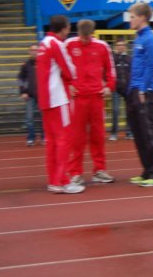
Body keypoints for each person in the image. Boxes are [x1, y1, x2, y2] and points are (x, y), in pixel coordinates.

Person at [65, 20, 116, 186]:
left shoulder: (102, 46)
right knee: (76, 137)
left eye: (87, 37)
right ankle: (75, 173)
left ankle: (99, 170)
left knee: (98, 135)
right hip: (78, 98)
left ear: (92, 34)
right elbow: (60, 67)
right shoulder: (69, 44)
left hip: (96, 97)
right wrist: (68, 85)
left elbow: (111, 69)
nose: (84, 40)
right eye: (82, 37)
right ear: (78, 33)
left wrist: (109, 86)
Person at [37, 15, 83, 194]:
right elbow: (70, 69)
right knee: (64, 140)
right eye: (68, 27)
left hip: (46, 99)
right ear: (64, 28)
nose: (69, 29)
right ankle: (61, 181)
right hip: (58, 98)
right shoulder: (57, 44)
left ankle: (53, 180)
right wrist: (71, 79)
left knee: (52, 142)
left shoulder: (43, 43)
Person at [127, 3, 153, 187]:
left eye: (132, 17)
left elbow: (152, 67)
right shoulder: (139, 38)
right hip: (134, 90)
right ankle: (148, 170)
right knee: (139, 133)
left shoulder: (151, 39)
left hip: (147, 91)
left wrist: (144, 89)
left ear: (142, 17)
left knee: (149, 132)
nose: (130, 20)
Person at [17, 44, 44, 146]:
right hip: (30, 96)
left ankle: (44, 137)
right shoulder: (25, 65)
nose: (34, 52)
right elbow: (20, 79)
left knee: (44, 118)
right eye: (32, 50)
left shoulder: (43, 63)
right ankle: (31, 138)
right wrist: (23, 92)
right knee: (29, 118)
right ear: (29, 52)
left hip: (42, 95)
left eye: (36, 50)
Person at [110, 38, 133, 141]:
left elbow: (133, 73)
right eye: (119, 45)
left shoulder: (129, 58)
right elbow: (108, 71)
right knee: (115, 110)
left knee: (129, 110)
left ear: (125, 47)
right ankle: (114, 132)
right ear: (116, 47)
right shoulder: (113, 59)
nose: (121, 47)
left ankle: (129, 132)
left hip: (127, 88)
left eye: (122, 45)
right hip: (116, 88)